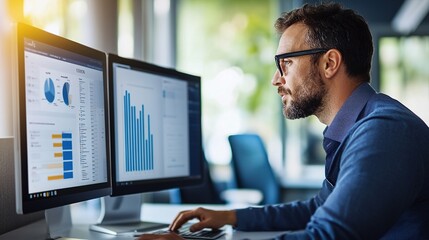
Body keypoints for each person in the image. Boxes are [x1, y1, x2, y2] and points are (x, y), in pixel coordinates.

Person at [138, 3, 429, 239]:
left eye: (286, 63)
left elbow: (329, 235)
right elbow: (320, 208)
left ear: (329, 63)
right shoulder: (358, 127)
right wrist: (232, 217)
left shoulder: (384, 132)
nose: (276, 79)